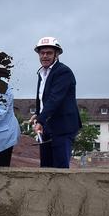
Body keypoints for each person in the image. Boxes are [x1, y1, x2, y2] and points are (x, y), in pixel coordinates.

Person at [31, 36, 81, 168]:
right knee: (46, 167)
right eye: (42, 53)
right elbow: (42, 97)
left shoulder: (63, 72)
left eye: (49, 53)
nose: (45, 56)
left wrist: (41, 120)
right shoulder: (43, 72)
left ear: (56, 54)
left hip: (62, 128)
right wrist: (38, 113)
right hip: (48, 127)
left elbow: (55, 99)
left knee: (60, 169)